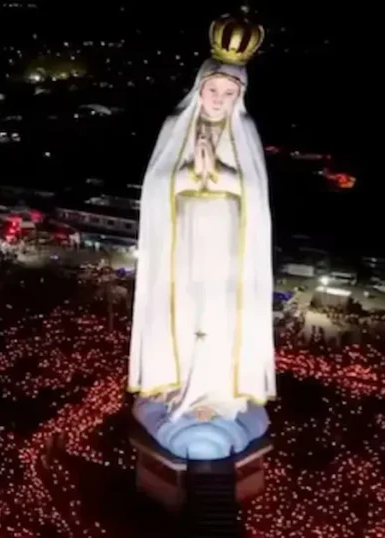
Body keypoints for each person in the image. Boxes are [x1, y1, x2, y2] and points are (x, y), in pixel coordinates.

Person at [128, 21, 275, 423]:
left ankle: (216, 388)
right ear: (199, 87)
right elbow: (157, 182)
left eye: (230, 94)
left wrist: (221, 175)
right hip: (183, 235)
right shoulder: (178, 125)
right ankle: (178, 378)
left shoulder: (243, 129)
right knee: (182, 304)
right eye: (213, 90)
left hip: (226, 237)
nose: (219, 99)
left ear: (239, 96)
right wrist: (193, 174)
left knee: (219, 309)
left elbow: (255, 192)